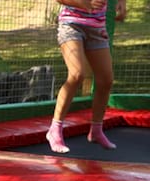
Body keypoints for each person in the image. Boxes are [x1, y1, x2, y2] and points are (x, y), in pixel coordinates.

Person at [46, 0, 127, 153]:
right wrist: (85, 4)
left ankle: (96, 130)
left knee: (106, 80)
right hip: (72, 25)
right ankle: (54, 129)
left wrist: (122, 3)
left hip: (97, 27)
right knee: (77, 74)